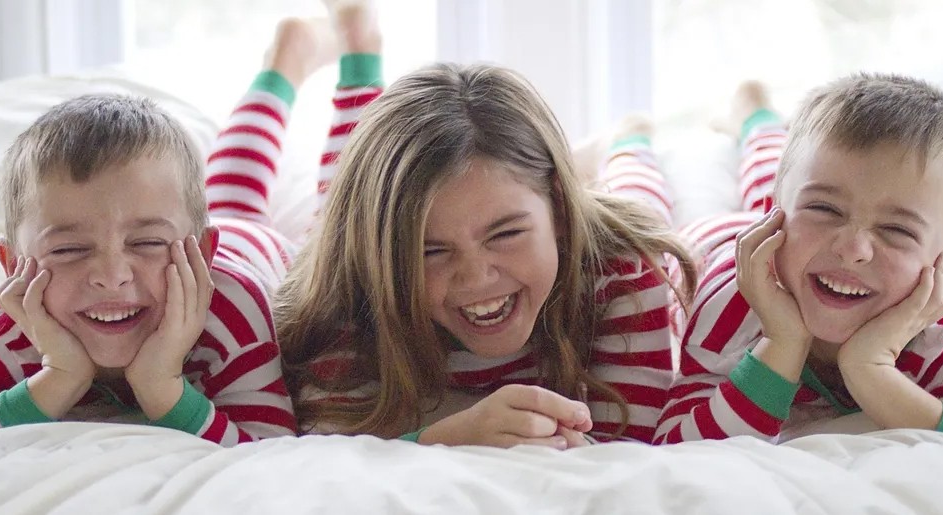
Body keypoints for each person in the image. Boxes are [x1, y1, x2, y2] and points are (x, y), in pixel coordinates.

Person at [0, 3, 380, 461]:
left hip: (255, 250)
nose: (112, 275)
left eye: (145, 243)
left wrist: (164, 388)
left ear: (203, 254)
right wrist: (57, 380)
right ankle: (287, 59)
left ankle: (353, 55)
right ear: (14, 267)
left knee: (345, 208)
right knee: (231, 192)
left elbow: (270, 451)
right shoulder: (9, 328)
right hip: (207, 229)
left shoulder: (230, 313)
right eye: (69, 248)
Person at [274, 58, 698, 448]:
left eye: (505, 234)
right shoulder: (342, 301)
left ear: (561, 210)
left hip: (600, 224)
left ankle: (628, 139)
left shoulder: (623, 270)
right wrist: (445, 439)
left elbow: (627, 450)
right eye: (432, 251)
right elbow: (330, 449)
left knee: (638, 190)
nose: (476, 278)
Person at [651, 75, 943, 444]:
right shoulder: (729, 309)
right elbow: (676, 446)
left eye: (897, 230)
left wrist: (871, 370)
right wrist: (782, 343)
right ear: (767, 222)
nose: (853, 250)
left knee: (789, 181)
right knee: (644, 209)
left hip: (800, 244)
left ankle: (758, 117)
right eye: (825, 208)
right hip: (713, 242)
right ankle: (634, 141)